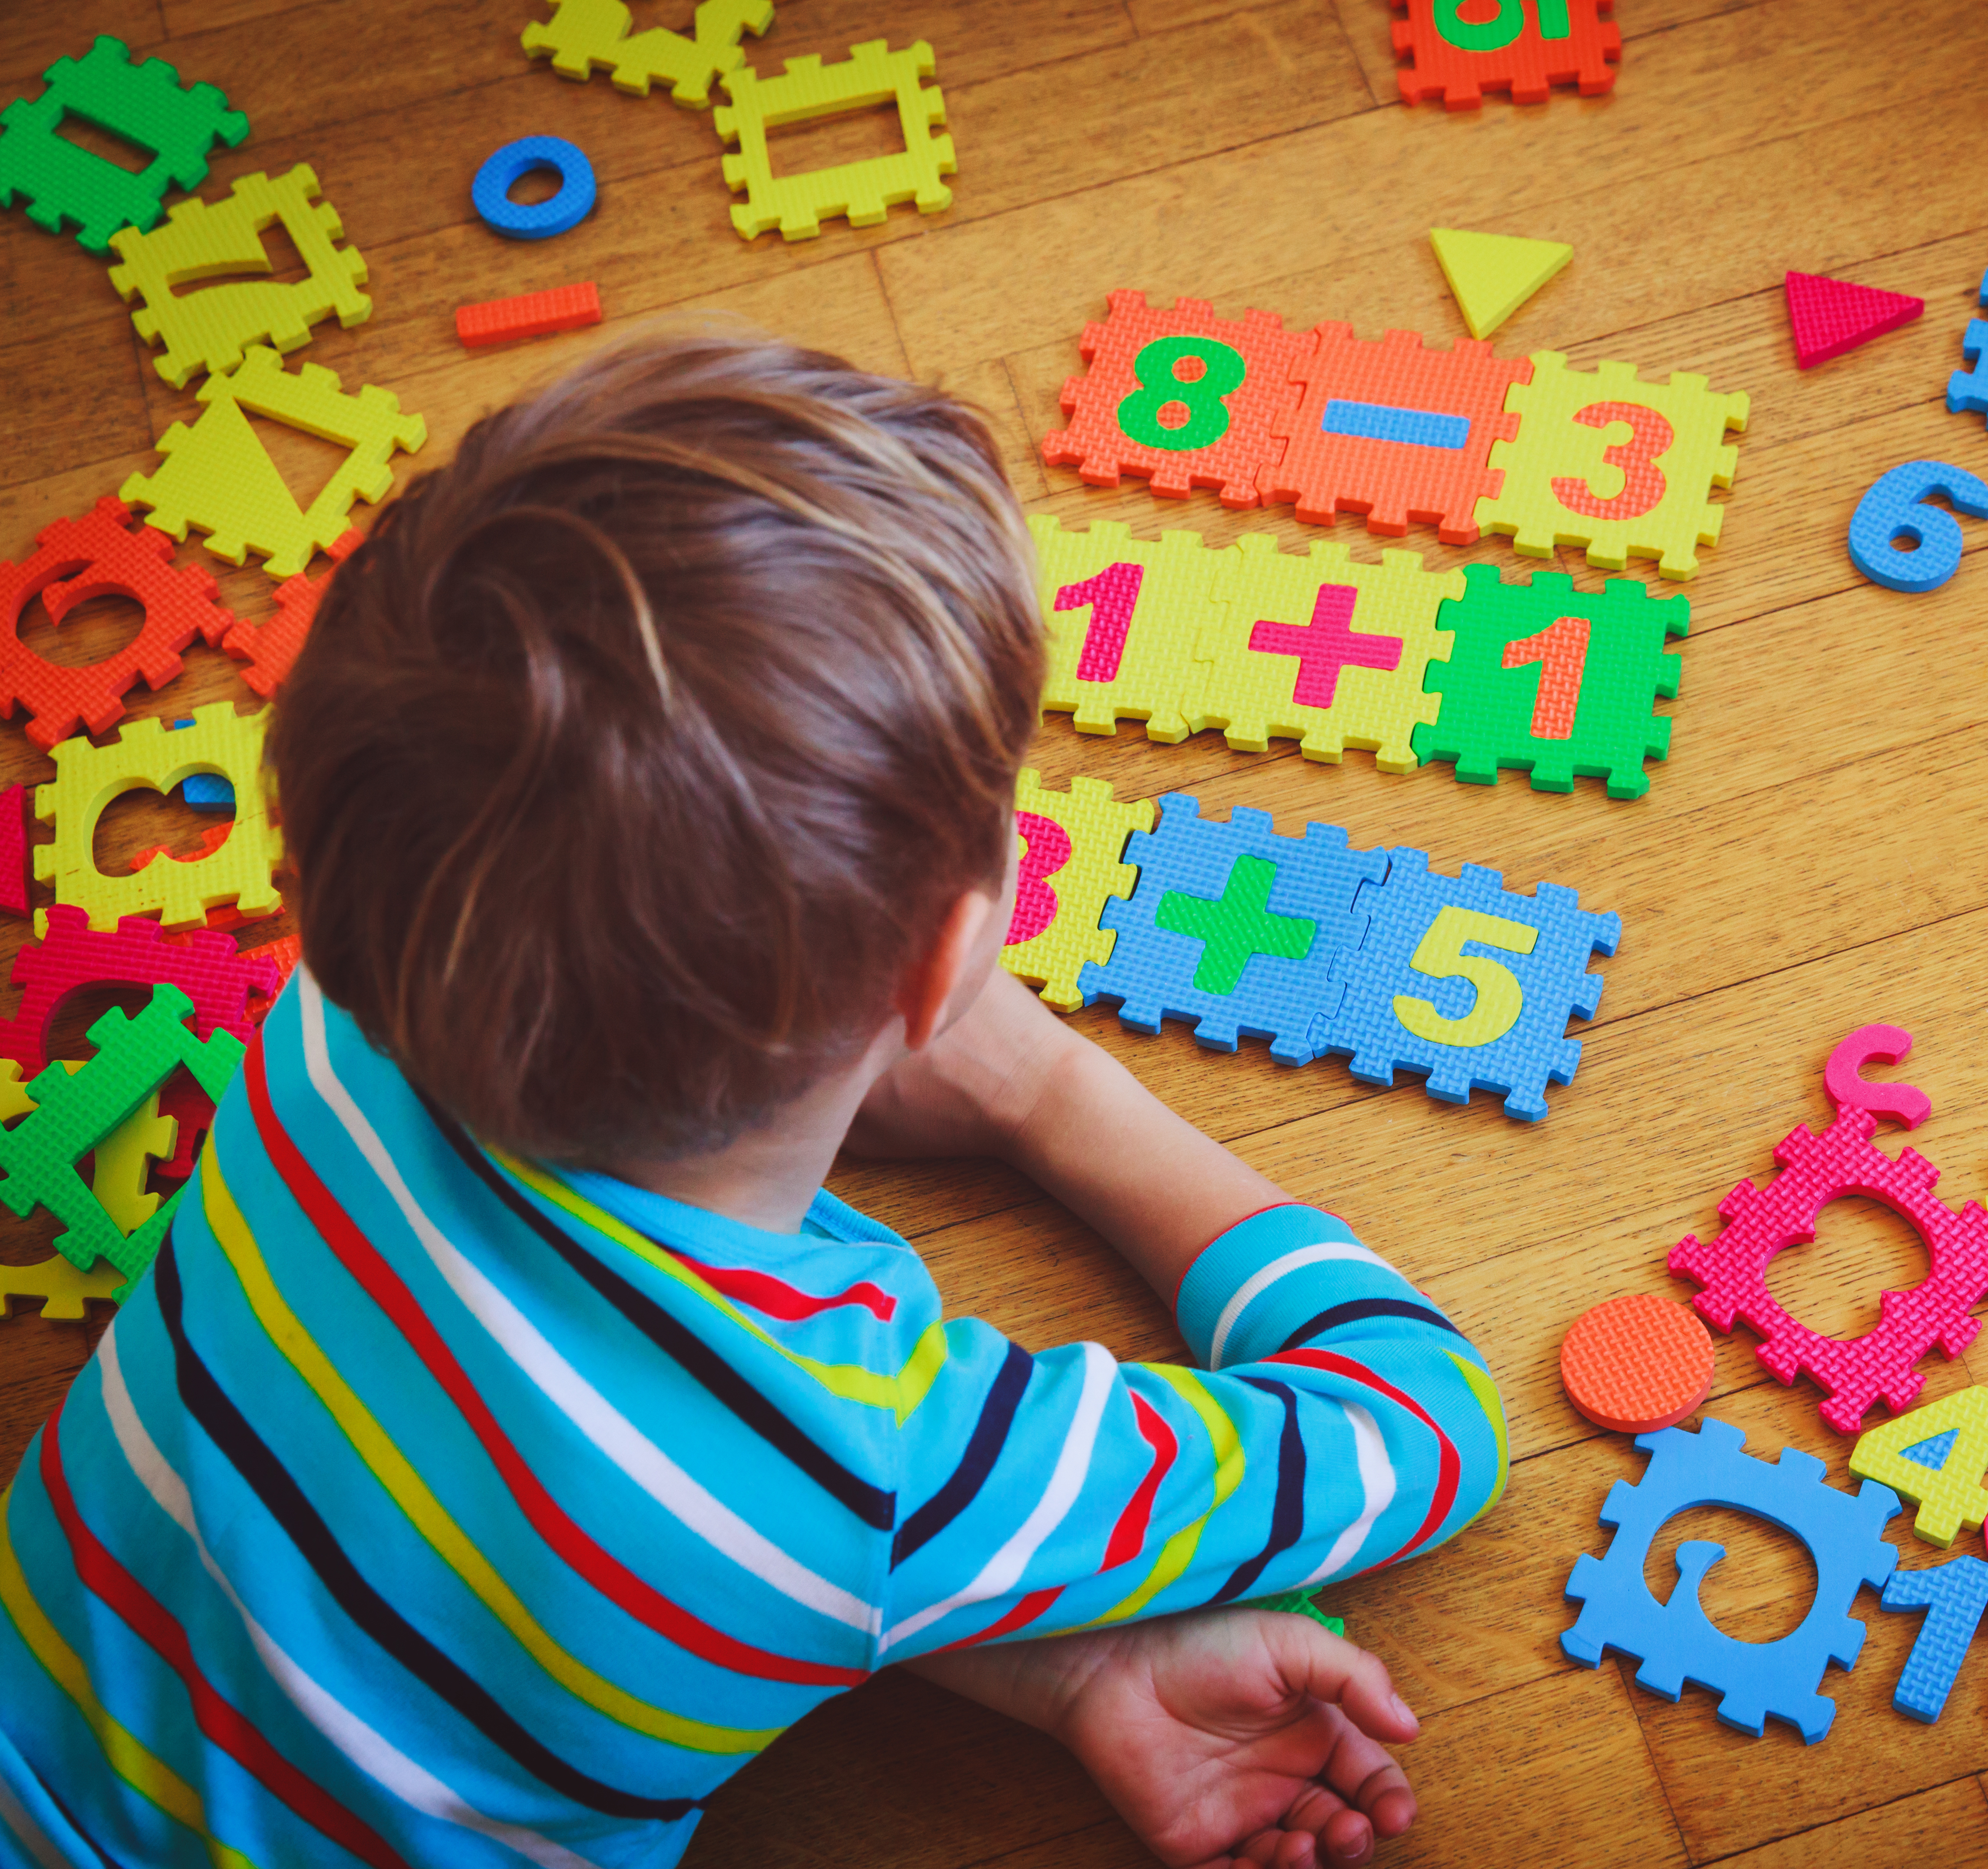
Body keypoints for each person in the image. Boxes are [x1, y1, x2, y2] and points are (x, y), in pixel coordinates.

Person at [0, 329, 1505, 1869]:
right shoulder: (864, 1458)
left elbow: (581, 1543)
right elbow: (1424, 1428)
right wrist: (1056, 1094)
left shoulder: (317, 1044)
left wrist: (1076, 1664)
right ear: (944, 970)